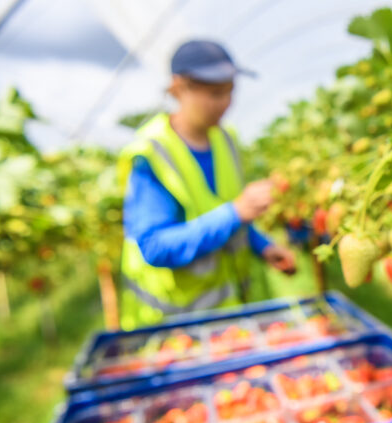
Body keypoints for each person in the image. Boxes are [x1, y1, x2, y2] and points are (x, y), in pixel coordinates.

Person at [118, 39, 296, 330]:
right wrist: (236, 212)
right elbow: (154, 247)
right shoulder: (151, 155)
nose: (225, 104)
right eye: (214, 94)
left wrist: (262, 246)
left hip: (229, 318)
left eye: (229, 92)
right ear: (179, 88)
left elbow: (224, 211)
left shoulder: (225, 140)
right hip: (174, 328)